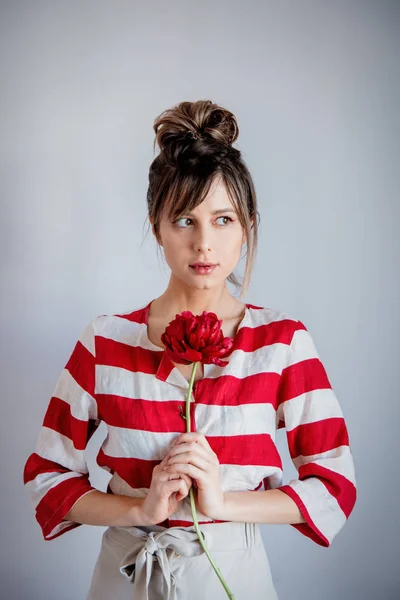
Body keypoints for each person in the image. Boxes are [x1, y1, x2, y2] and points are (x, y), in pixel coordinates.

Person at [23, 99, 357, 599]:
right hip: (126, 574)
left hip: (232, 578)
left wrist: (222, 502)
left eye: (223, 219)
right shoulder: (104, 341)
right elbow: (47, 476)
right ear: (156, 225)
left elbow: (334, 484)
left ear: (246, 226)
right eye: (184, 219)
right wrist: (139, 509)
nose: (204, 243)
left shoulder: (281, 343)